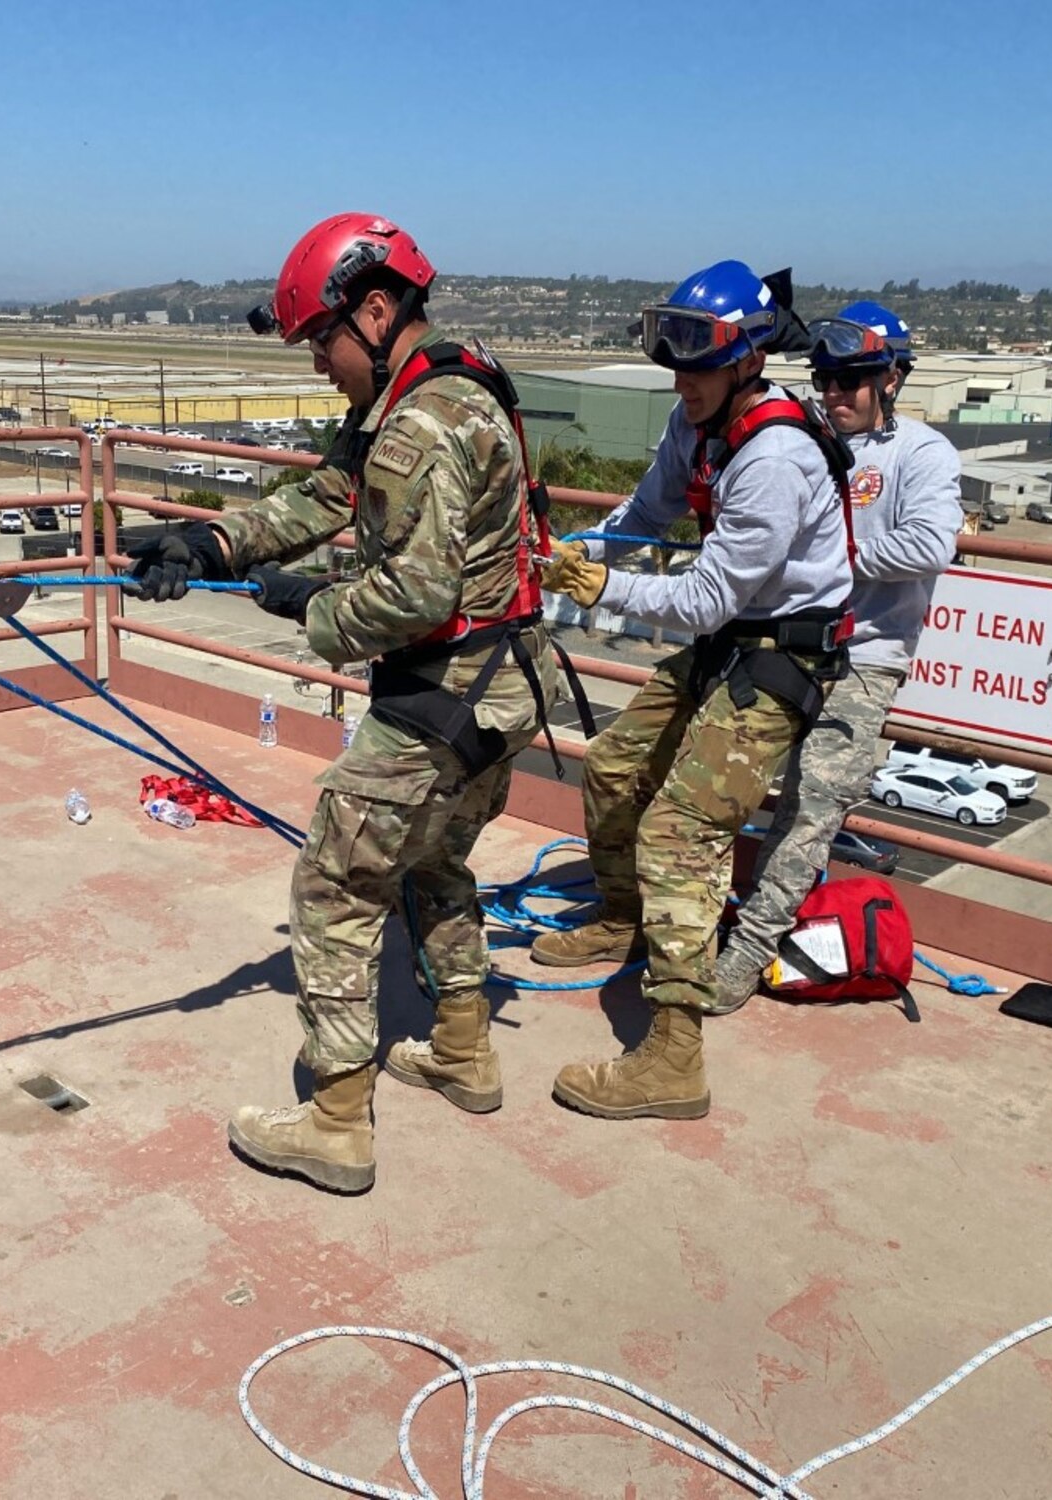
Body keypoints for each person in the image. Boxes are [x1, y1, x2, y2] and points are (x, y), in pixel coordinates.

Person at [124, 212, 560, 1194]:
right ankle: (460, 1048)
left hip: (445, 695)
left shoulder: (417, 426)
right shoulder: (444, 386)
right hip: (503, 686)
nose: (316, 362)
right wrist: (212, 547)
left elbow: (412, 596)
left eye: (320, 339)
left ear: (373, 309)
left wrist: (311, 605)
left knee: (332, 886)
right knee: (435, 859)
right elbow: (325, 496)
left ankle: (334, 1122)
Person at [533, 260, 853, 1120]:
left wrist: (602, 593)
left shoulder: (776, 455)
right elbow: (643, 518)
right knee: (611, 766)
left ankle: (675, 1054)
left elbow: (709, 595)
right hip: (725, 643)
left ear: (747, 358)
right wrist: (576, 553)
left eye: (700, 362)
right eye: (674, 360)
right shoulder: (697, 423)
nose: (684, 379)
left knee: (683, 828)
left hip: (779, 658)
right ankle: (621, 914)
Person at [709, 301, 963, 1013]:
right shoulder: (803, 440)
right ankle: (692, 921)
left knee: (812, 806)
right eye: (825, 379)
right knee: (712, 781)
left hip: (866, 658)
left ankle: (748, 953)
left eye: (852, 380)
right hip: (779, 643)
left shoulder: (923, 454)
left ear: (892, 380)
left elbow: (929, 545)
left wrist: (830, 559)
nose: (835, 393)